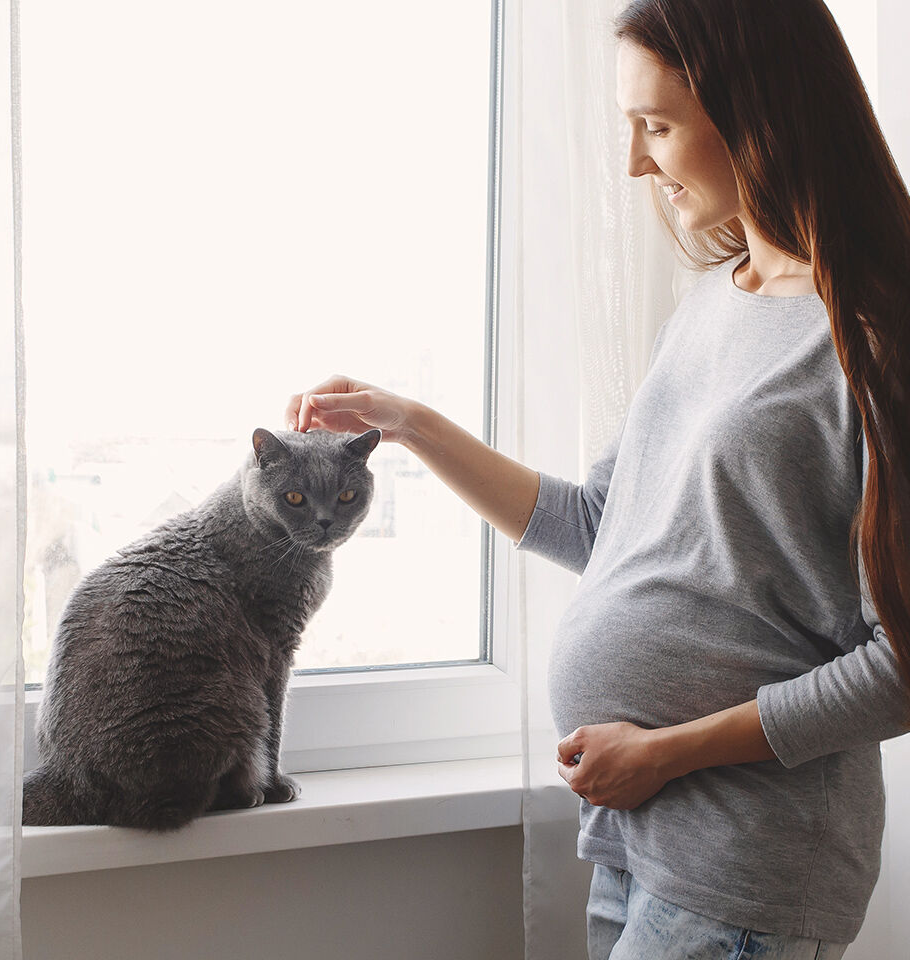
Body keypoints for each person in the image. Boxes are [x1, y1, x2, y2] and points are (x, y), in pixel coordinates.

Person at [284, 0, 910, 956]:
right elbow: (597, 525)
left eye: (656, 127)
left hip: (747, 865)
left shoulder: (872, 343)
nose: (635, 165)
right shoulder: (716, 301)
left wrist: (666, 751)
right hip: (636, 838)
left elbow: (901, 665)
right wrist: (406, 423)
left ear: (761, 114)